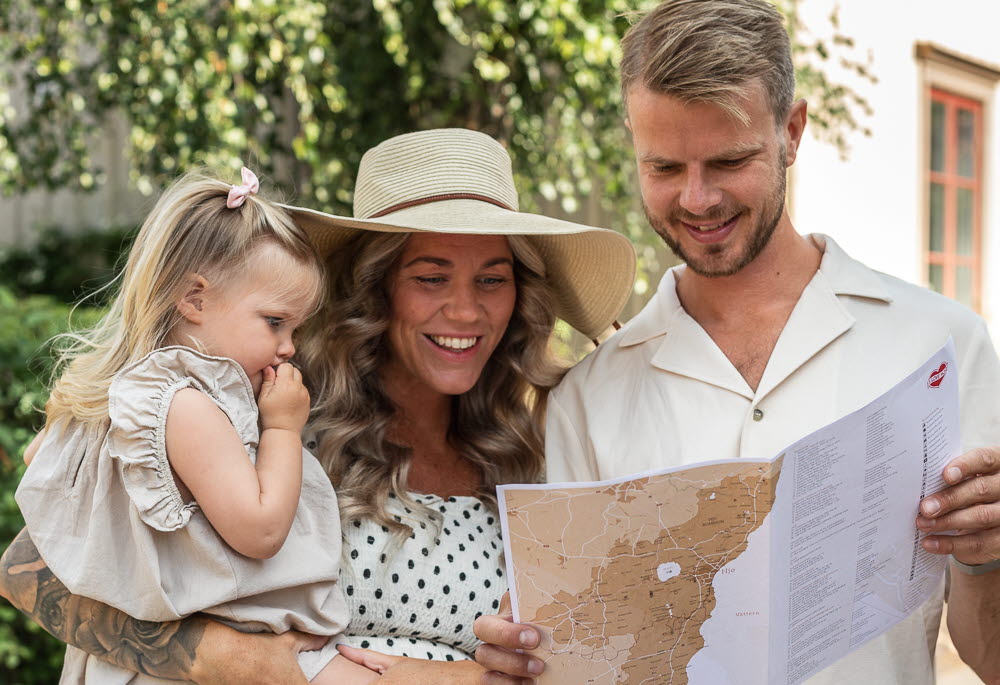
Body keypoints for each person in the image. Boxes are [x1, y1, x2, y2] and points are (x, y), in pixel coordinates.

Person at [473, 1, 1000, 684]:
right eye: (664, 167)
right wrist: (521, 657)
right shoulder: (588, 400)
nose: (697, 199)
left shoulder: (939, 345)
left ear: (793, 131)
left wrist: (986, 557)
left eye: (729, 160)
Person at [0, 128, 637, 683]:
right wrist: (228, 659)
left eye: (492, 279)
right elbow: (29, 572)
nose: (467, 310)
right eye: (431, 277)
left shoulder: (540, 448)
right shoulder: (274, 407)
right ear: (375, 287)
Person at [11, 167, 384, 684]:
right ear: (195, 300)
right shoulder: (187, 408)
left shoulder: (130, 393)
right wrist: (281, 428)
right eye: (275, 322)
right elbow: (261, 530)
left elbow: (38, 464)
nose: (289, 346)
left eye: (296, 328)